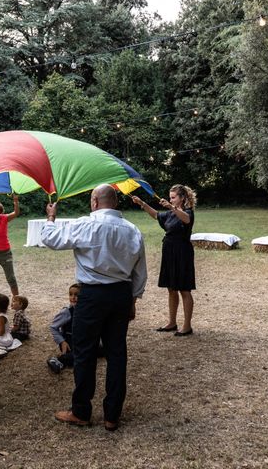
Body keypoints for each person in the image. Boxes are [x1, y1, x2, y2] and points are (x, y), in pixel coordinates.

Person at [41, 184, 147, 431]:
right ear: (116, 203)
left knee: (85, 352)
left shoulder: (85, 224)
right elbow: (140, 271)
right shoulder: (132, 230)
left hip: (92, 296)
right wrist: (133, 299)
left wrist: (51, 217)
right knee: (117, 353)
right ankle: (112, 415)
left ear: (94, 201)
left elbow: (51, 239)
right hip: (121, 294)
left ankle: (81, 411)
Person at [131, 184, 196, 337]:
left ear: (182, 198)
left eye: (173, 197)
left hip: (182, 253)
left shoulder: (187, 213)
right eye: (170, 197)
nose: (170, 199)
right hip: (169, 252)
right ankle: (172, 322)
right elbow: (156, 215)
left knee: (184, 289)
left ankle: (187, 326)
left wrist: (172, 208)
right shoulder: (170, 213)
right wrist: (142, 203)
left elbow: (186, 219)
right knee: (171, 289)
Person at [47, 284, 81, 374]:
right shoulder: (67, 312)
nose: (73, 297)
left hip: (82, 340)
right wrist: (62, 341)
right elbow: (53, 327)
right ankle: (57, 361)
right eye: (70, 294)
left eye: (76, 295)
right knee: (79, 357)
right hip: (70, 342)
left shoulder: (86, 310)